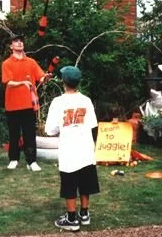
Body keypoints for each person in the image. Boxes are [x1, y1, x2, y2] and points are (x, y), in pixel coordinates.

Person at [45, 65, 100, 232]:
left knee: (69, 183)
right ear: (78, 82)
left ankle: (71, 218)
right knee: (85, 182)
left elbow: (50, 130)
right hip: (86, 149)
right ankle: (84, 214)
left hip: (69, 151)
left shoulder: (58, 102)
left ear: (63, 82)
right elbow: (93, 125)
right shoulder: (86, 100)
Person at [1, 34, 48, 171]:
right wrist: (23, 82)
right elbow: (8, 83)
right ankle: (13, 159)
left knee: (29, 134)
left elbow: (41, 77)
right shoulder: (6, 64)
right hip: (12, 104)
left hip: (29, 104)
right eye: (16, 41)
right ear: (11, 46)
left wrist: (46, 77)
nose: (19, 43)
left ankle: (31, 161)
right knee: (14, 134)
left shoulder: (31, 62)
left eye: (21, 41)